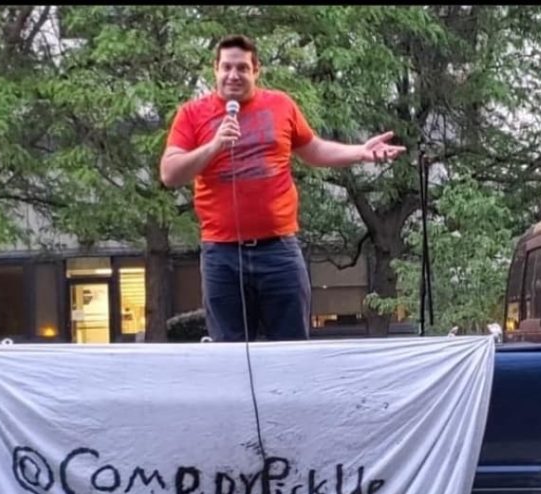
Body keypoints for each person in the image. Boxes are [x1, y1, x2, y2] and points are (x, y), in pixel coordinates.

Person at [159, 34, 406, 342]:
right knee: (230, 352)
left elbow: (313, 150)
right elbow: (170, 174)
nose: (233, 75)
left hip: (278, 251)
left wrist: (360, 152)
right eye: (226, 67)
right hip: (222, 255)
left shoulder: (280, 105)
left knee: (290, 348)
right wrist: (215, 145)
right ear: (215, 69)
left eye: (242, 68)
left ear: (256, 70)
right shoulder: (192, 114)